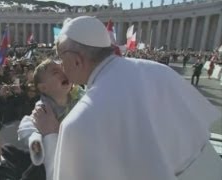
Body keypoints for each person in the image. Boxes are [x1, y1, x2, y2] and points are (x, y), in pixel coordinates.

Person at [33, 16, 222, 180]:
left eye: (60, 57)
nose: (59, 64)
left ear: (76, 60)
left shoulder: (79, 121)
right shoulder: (159, 70)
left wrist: (50, 135)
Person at [18, 59, 84, 180]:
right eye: (55, 72)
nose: (63, 73)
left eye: (62, 69)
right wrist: (35, 140)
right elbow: (26, 126)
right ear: (43, 88)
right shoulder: (43, 108)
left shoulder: (79, 95)